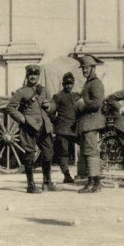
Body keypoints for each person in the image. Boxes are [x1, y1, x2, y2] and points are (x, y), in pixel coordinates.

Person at [6, 65, 56, 193]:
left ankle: (47, 182)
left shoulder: (43, 90)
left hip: (44, 126)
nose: (33, 77)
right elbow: (10, 107)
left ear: (38, 76)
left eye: (35, 75)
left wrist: (49, 106)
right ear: (27, 76)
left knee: (48, 153)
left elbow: (52, 104)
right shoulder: (21, 92)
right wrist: (22, 119)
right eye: (30, 75)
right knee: (30, 154)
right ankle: (30, 185)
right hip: (29, 126)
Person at [74, 54, 106, 194]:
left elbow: (97, 103)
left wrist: (82, 103)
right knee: (89, 152)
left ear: (93, 68)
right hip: (87, 123)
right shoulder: (89, 82)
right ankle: (93, 182)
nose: (84, 71)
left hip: (91, 122)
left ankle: (94, 183)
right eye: (83, 68)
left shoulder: (96, 83)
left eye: (86, 68)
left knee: (91, 152)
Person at [49, 71, 80, 185]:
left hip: (74, 128)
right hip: (62, 129)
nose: (68, 86)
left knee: (84, 147)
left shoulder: (76, 95)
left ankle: (84, 173)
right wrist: (56, 121)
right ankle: (66, 175)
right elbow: (50, 111)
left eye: (70, 83)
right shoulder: (58, 96)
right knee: (63, 152)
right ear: (63, 84)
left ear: (73, 84)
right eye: (66, 83)